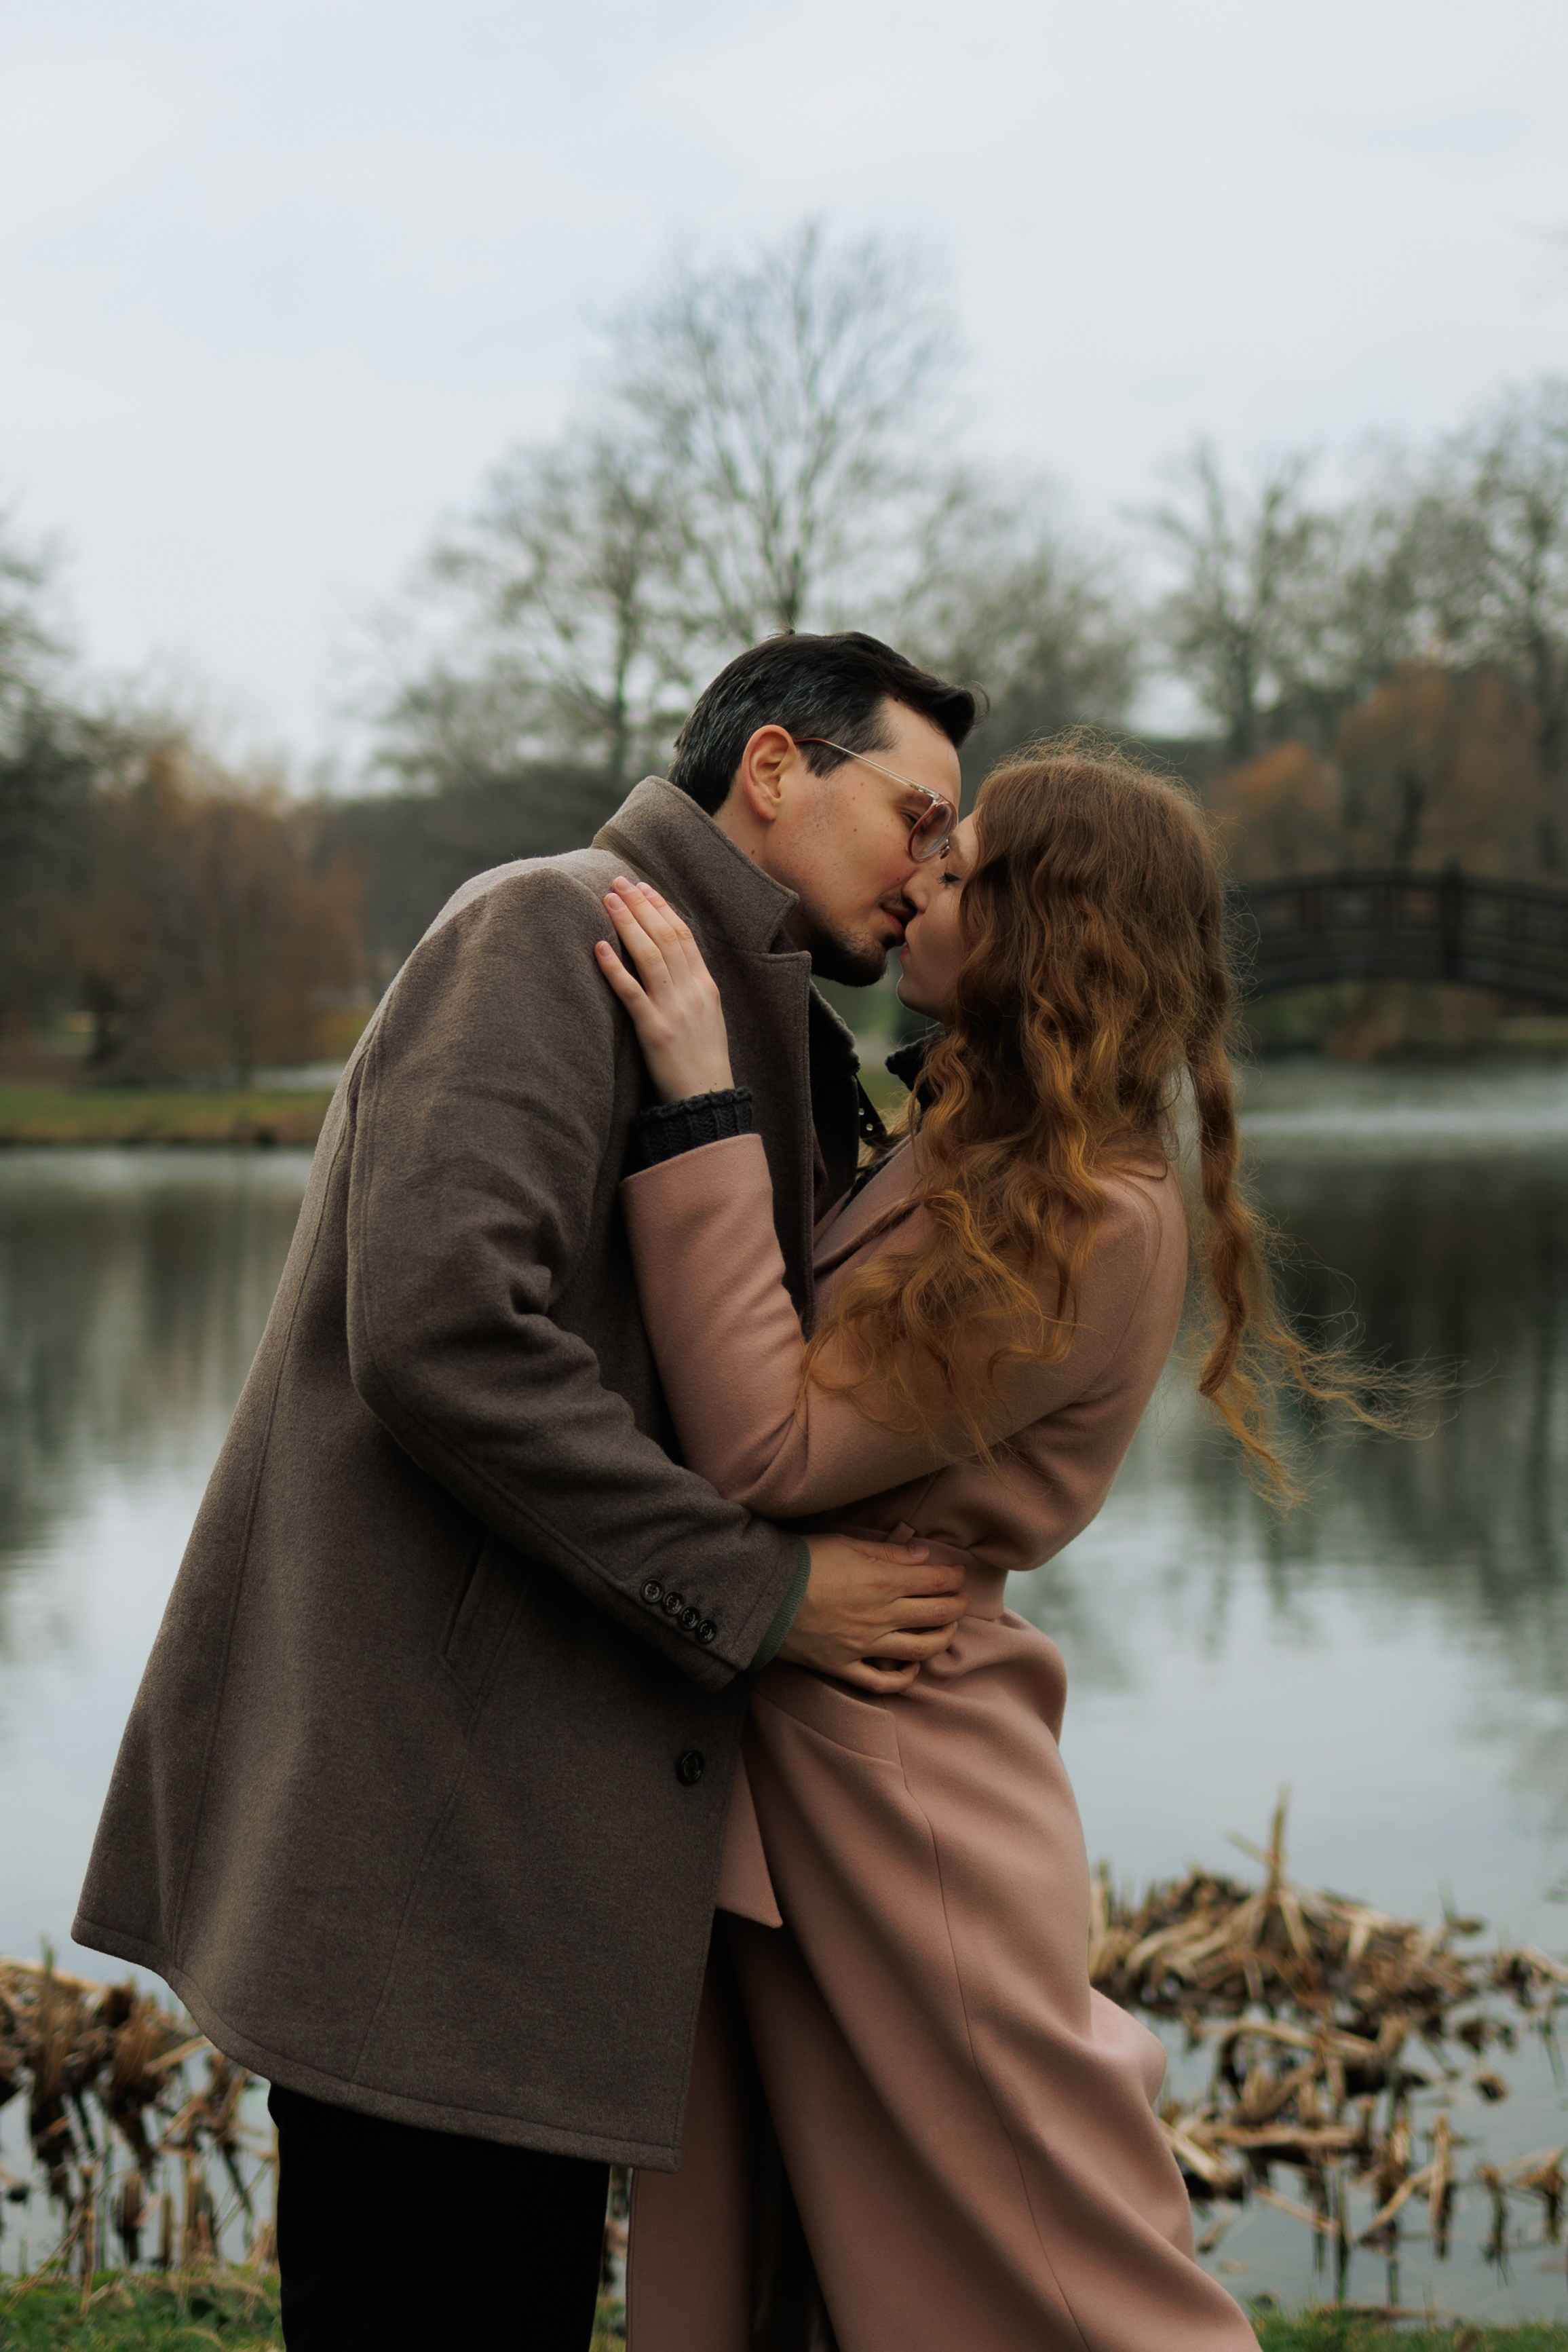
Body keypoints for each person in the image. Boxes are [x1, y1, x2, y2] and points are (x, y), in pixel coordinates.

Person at [72, 632, 983, 2351]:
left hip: (534, 1857)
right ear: (775, 770)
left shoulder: (741, 1000)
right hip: (427, 1845)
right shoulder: (544, 931)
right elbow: (439, 1333)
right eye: (917, 814)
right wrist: (761, 1592)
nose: (934, 864)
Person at [591, 744, 1331, 2350]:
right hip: (791, 1750)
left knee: (1062, 2273)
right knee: (750, 2259)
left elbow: (769, 1443)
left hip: (902, 1774)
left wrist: (702, 1102)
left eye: (968, 859)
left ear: (1051, 924)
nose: (921, 874)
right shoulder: (978, 1139)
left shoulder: (1096, 1211)